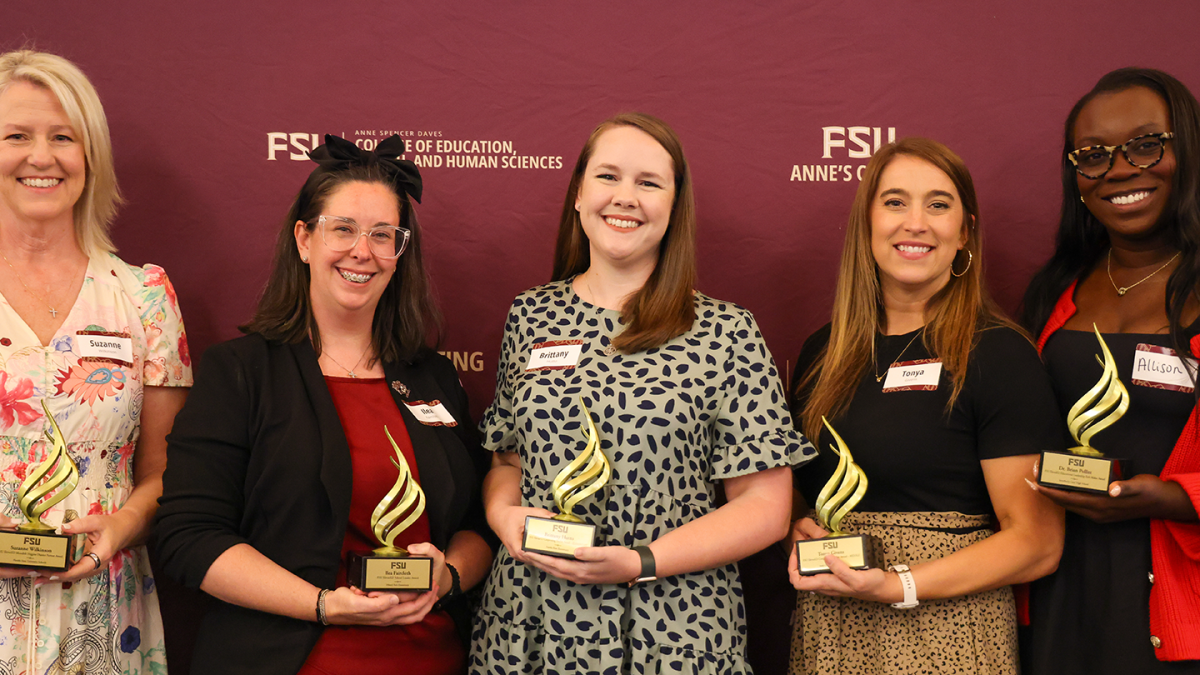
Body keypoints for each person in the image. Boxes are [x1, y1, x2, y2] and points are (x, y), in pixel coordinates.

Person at [471, 112, 812, 674]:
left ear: (674, 208)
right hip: (534, 617)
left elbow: (765, 509)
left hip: (675, 625)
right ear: (579, 195)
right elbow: (508, 458)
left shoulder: (725, 331)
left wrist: (639, 562)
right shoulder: (530, 315)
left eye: (649, 183)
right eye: (608, 177)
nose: (625, 197)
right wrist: (503, 515)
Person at [154, 135, 495, 675]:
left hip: (434, 659)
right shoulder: (241, 373)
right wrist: (322, 605)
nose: (363, 251)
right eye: (343, 229)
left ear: (400, 254)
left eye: (383, 235)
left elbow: (478, 523)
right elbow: (188, 535)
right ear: (304, 238)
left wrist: (448, 576)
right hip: (291, 657)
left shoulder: (433, 376)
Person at [787, 137, 1064, 675]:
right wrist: (797, 524)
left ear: (964, 234)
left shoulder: (999, 353)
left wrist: (897, 584)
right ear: (866, 223)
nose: (916, 222)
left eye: (938, 205)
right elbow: (798, 491)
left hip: (948, 632)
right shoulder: (821, 351)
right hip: (831, 627)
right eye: (895, 202)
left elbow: (1038, 541)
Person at [0, 49, 190, 673]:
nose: (41, 156)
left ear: (91, 156)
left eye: (63, 137)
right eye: (16, 136)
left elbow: (164, 473)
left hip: (101, 619)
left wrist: (122, 524)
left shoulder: (145, 298)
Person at [1022, 68, 1200, 673]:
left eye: (1147, 144)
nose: (1121, 170)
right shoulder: (1055, 290)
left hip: (1177, 593)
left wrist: (1178, 498)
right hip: (1062, 587)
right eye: (1093, 156)